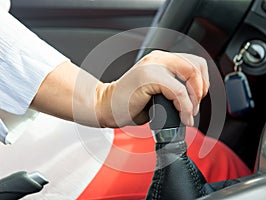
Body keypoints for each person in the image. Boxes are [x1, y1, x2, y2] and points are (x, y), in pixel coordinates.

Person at [0, 1, 251, 199]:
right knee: (213, 163)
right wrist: (101, 100)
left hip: (39, 141)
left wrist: (102, 100)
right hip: (43, 171)